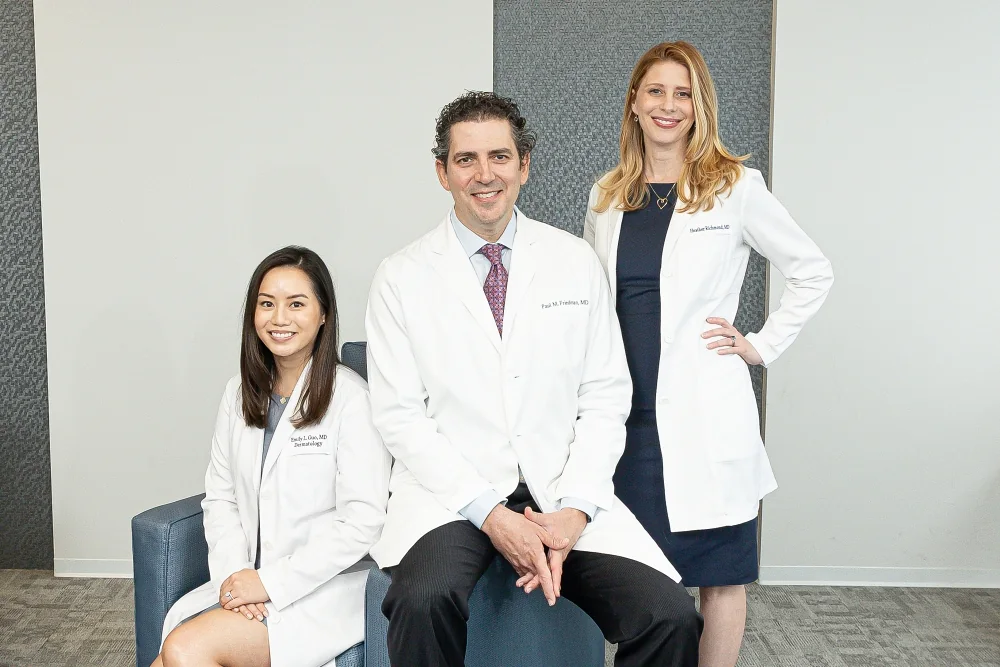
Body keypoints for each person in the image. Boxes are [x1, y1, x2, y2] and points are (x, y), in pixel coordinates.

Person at [365, 91, 703, 667]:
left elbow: (604, 396)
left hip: (559, 484)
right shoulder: (401, 277)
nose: (484, 175)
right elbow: (400, 415)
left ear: (525, 165)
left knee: (669, 615)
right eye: (465, 159)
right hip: (453, 496)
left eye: (499, 157)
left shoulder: (574, 261)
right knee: (423, 599)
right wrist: (491, 515)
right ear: (442, 173)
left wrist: (575, 508)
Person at [583, 41, 834, 667]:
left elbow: (812, 270)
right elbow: (591, 304)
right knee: (638, 577)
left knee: (719, 576)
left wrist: (760, 345)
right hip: (625, 417)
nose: (669, 105)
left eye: (683, 93)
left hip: (703, 412)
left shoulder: (735, 187)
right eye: (656, 92)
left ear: (699, 108)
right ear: (635, 104)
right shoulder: (607, 197)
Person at [153, 246, 392, 667]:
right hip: (245, 581)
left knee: (183, 650)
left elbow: (362, 524)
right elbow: (220, 498)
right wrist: (234, 577)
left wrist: (268, 583)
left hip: (324, 589)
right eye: (267, 304)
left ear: (323, 315)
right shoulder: (237, 393)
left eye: (296, 304)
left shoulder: (352, 400)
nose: (279, 318)